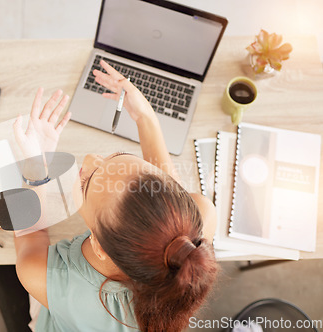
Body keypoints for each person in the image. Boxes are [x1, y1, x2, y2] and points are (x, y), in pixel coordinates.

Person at [11, 60, 218, 332]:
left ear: (98, 246)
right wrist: (145, 117)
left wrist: (35, 168)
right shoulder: (199, 222)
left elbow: (30, 238)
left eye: (87, 182)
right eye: (116, 157)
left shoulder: (49, 279)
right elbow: (166, 189)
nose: (90, 158)